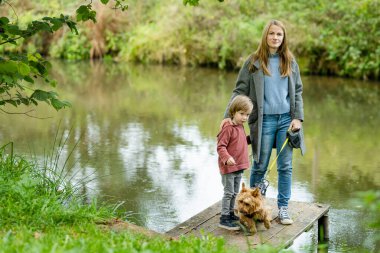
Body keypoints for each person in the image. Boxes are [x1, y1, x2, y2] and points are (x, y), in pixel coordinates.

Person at [221, 20, 306, 225]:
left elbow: (298, 92)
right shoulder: (253, 62)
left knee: (285, 167)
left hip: (286, 120)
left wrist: (298, 118)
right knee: (259, 165)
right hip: (264, 121)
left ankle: (283, 209)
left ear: (283, 37)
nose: (275, 37)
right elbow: (239, 90)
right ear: (265, 36)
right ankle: (252, 209)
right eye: (272, 34)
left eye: (279, 34)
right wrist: (227, 117)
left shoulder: (290, 61)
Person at [217, 95, 253, 230]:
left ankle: (231, 214)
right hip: (229, 167)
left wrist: (251, 139)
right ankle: (224, 218)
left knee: (234, 192)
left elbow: (241, 141)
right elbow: (220, 146)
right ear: (233, 112)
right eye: (241, 114)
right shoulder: (228, 128)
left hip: (238, 167)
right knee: (228, 192)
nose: (244, 117)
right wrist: (226, 158)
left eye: (247, 115)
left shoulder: (240, 127)